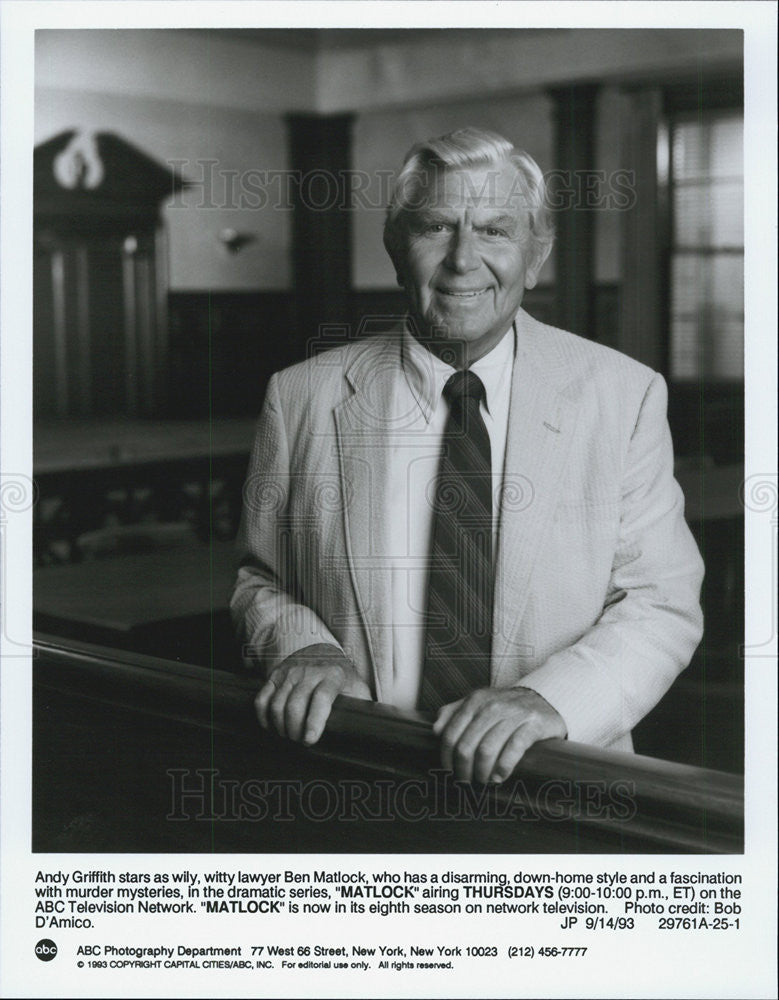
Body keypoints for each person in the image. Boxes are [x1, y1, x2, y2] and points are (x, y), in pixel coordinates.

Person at [231, 127, 704, 785]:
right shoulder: (300, 396)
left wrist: (552, 700)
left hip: (558, 784)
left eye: (494, 231)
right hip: (353, 776)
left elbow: (660, 602)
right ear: (397, 249)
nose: (462, 258)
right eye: (436, 227)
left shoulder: (620, 396)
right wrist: (302, 645)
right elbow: (262, 578)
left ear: (535, 258)